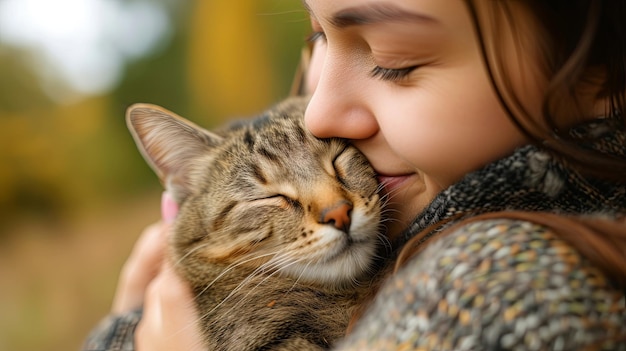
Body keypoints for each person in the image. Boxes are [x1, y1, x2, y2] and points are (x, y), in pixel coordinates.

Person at [83, 0, 626, 350]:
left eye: (394, 58)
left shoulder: (484, 297)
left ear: (602, 68)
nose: (318, 113)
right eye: (319, 34)